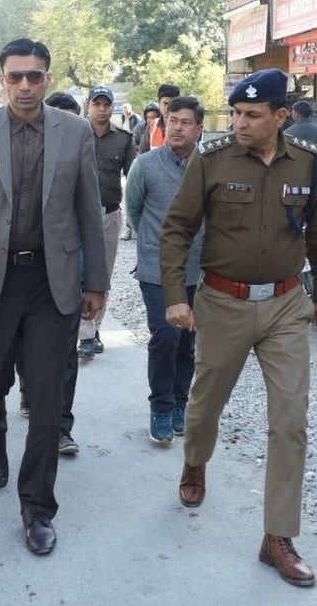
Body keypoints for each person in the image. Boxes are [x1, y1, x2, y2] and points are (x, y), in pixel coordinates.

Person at [0, 38, 108, 556]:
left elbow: (89, 210)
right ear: (2, 80)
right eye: (16, 77)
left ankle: (37, 508)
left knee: (47, 397)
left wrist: (95, 282)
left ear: (47, 79)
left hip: (52, 283)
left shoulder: (74, 132)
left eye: (35, 76)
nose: (26, 85)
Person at [160, 68, 317, 588]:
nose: (239, 122)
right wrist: (176, 296)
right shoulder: (211, 160)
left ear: (280, 117)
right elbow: (177, 229)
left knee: (290, 422)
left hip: (284, 305)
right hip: (222, 303)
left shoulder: (307, 161)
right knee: (205, 404)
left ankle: (277, 537)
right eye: (236, 113)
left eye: (252, 115)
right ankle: (195, 462)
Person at [125, 96, 204, 445]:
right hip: (156, 268)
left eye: (186, 122)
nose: (177, 128)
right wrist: (152, 244)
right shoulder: (145, 165)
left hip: (197, 270)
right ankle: (160, 407)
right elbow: (135, 211)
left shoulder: (210, 165)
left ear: (199, 128)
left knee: (187, 341)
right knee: (166, 336)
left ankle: (179, 404)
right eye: (172, 121)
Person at [16, 90, 83, 446]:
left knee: (63, 352)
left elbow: (89, 213)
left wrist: (94, 281)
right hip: (16, 270)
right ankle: (30, 391)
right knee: (24, 348)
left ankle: (60, 426)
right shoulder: (15, 146)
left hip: (64, 269)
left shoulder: (79, 142)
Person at [77, 85, 135, 361]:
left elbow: (134, 178)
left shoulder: (124, 139)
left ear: (113, 108)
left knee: (102, 274)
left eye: (106, 104)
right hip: (75, 216)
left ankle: (93, 330)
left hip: (108, 214)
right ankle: (84, 333)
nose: (101, 109)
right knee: (76, 272)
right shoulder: (75, 134)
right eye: (96, 104)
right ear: (88, 106)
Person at [138, 84, 180, 153]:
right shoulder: (152, 126)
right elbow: (142, 154)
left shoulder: (184, 126)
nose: (168, 108)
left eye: (172, 104)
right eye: (165, 103)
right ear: (159, 103)